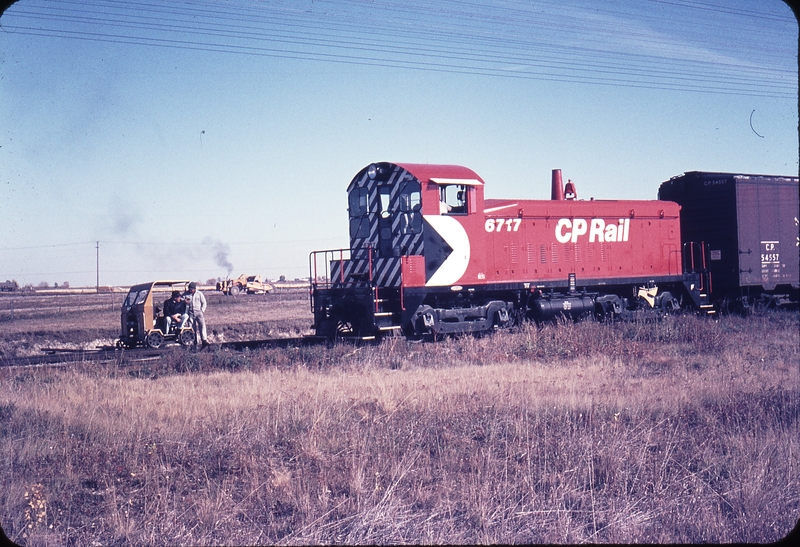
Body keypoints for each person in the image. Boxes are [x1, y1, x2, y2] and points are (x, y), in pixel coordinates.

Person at [185, 282, 210, 349]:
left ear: (195, 289)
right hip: (190, 313)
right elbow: (181, 299)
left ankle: (204, 340)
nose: (190, 290)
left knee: (202, 326)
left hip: (199, 312)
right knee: (192, 328)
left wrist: (202, 310)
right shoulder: (186, 294)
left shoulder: (199, 294)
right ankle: (194, 341)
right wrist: (184, 301)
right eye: (189, 289)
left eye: (191, 289)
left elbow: (204, 302)